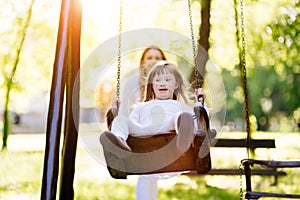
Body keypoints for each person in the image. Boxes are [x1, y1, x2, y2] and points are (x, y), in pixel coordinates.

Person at [102, 61, 209, 200]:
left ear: (176, 84)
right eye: (157, 80)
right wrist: (117, 112)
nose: (162, 83)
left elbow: (200, 123)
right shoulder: (142, 107)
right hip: (145, 132)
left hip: (171, 130)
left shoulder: (179, 105)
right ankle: (119, 144)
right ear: (152, 85)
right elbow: (131, 124)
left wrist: (201, 103)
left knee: (184, 117)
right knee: (121, 121)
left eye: (167, 80)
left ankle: (183, 140)